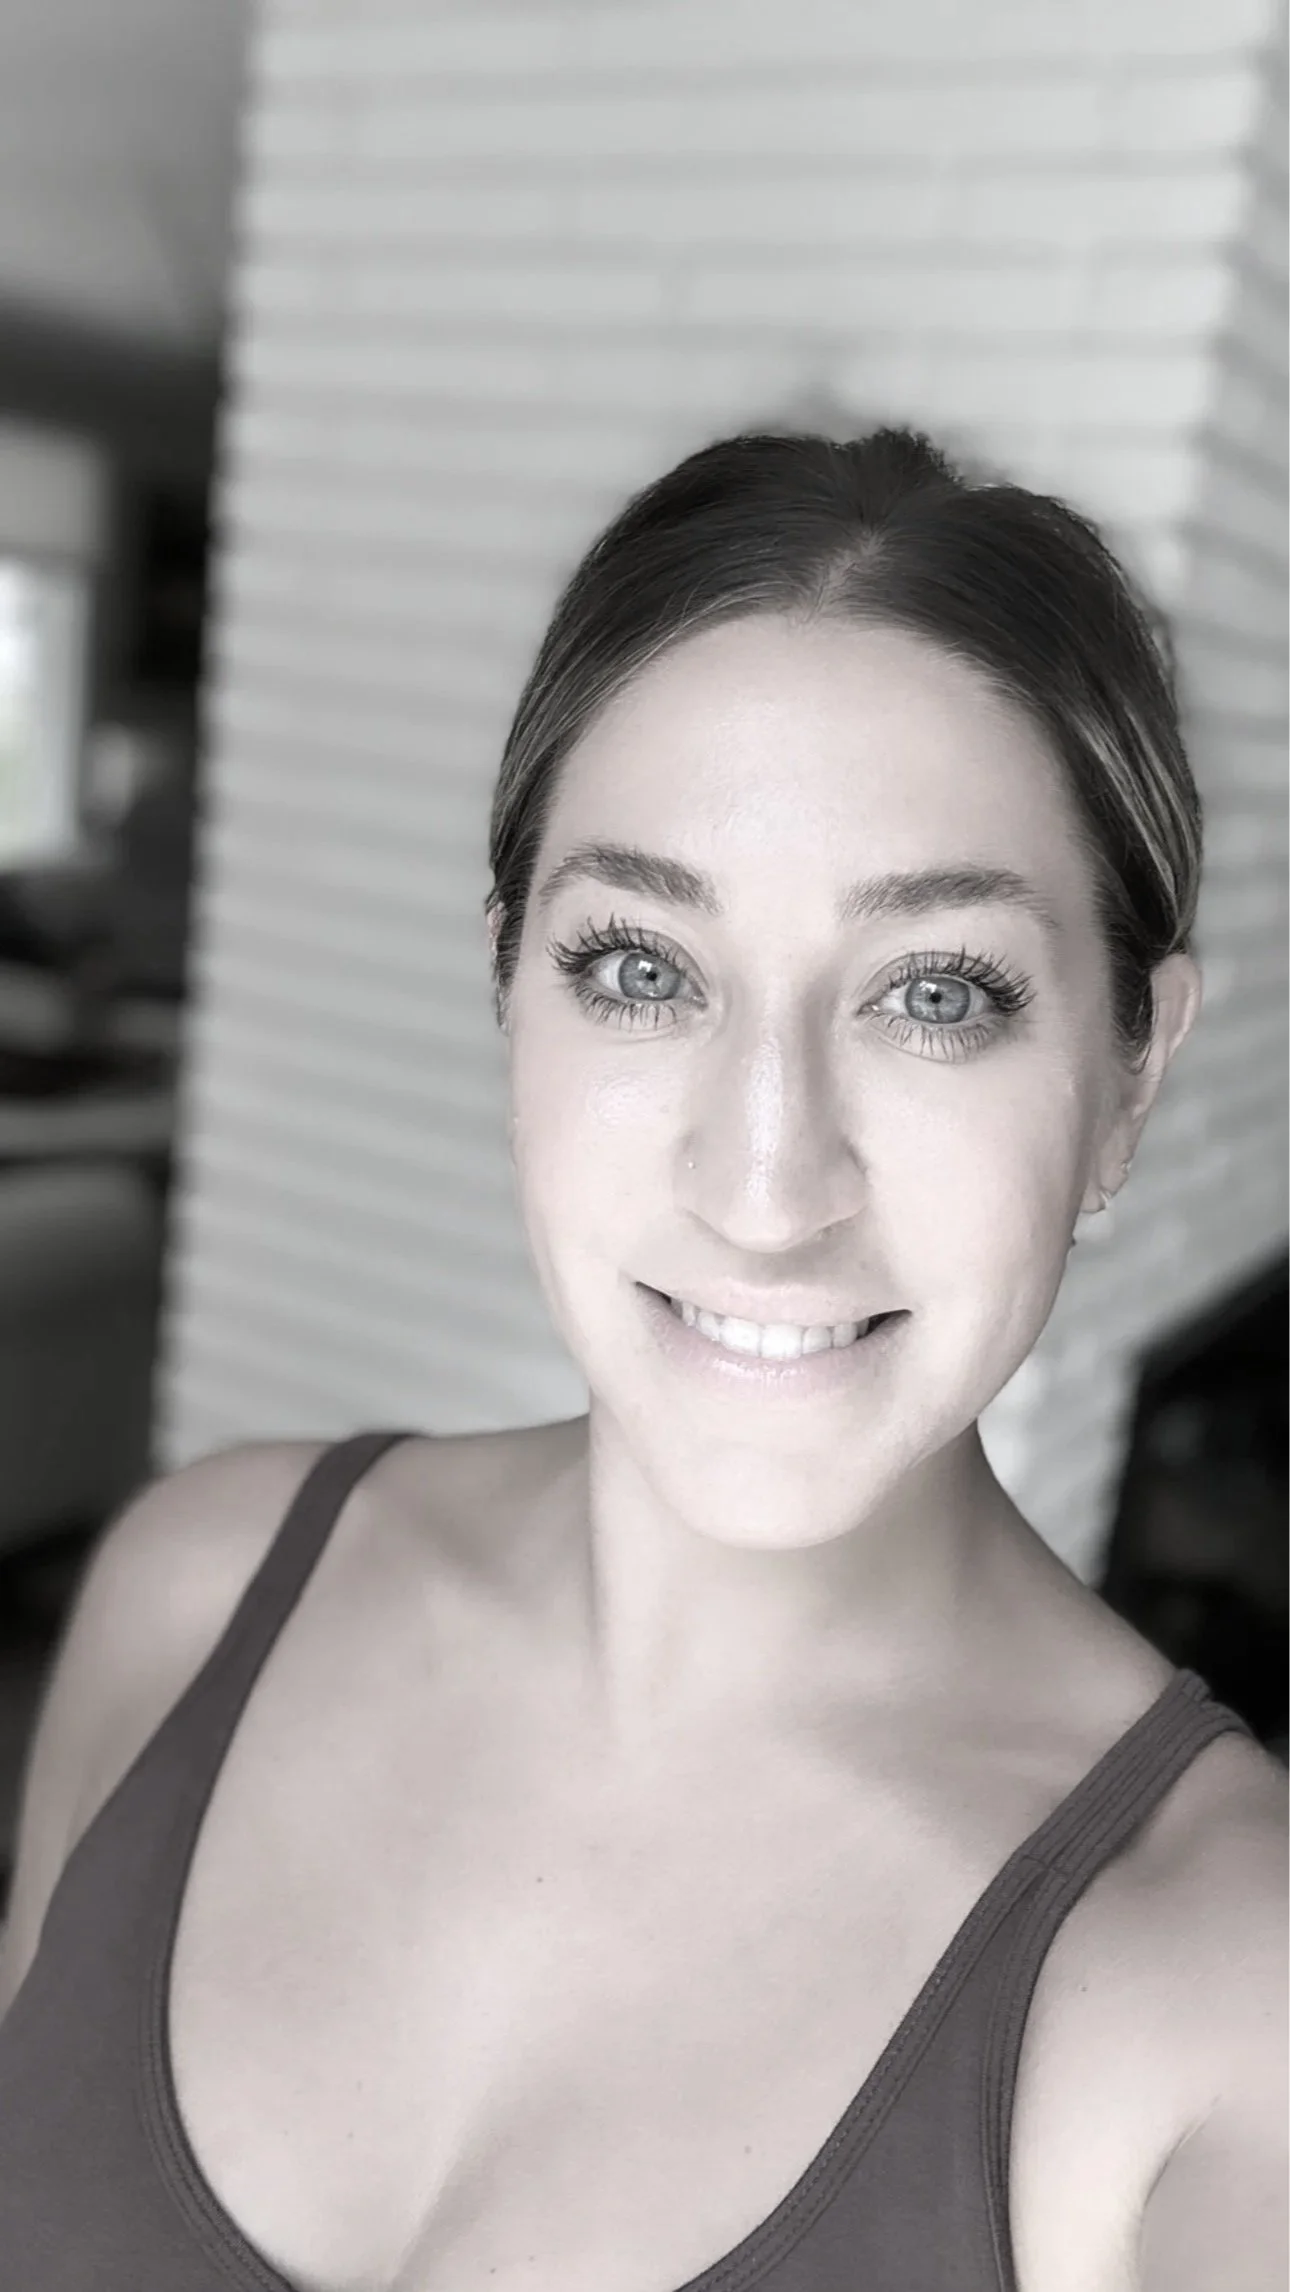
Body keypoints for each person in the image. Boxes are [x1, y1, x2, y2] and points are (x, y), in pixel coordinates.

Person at [0, 428, 1283, 2291]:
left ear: (1127, 1078)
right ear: (508, 980)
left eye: (935, 994)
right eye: (641, 971)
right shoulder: (190, 1592)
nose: (766, 1183)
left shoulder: (1212, 2008)